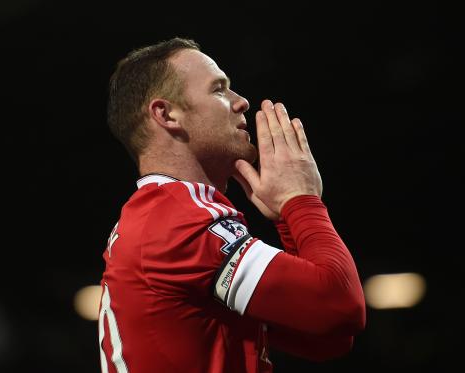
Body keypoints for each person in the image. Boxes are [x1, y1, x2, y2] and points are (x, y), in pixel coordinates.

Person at [98, 37, 366, 373]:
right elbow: (340, 307)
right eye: (219, 90)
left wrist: (287, 219)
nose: (241, 102)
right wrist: (301, 200)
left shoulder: (160, 214)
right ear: (166, 114)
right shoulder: (178, 219)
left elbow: (328, 335)